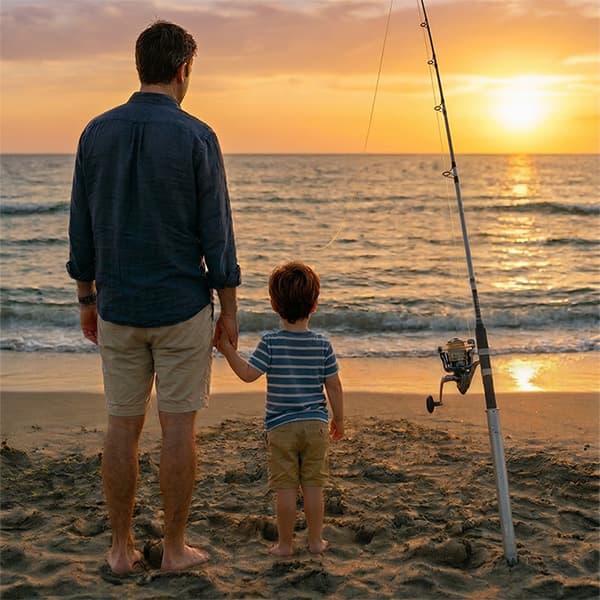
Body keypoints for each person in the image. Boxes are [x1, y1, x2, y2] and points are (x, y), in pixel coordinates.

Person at [66, 20, 241, 574]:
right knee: (178, 430)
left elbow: (81, 228)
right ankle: (172, 549)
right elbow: (217, 233)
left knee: (122, 425)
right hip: (181, 308)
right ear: (182, 69)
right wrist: (230, 309)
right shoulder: (197, 136)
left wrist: (86, 299)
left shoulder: (95, 133)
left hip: (117, 307)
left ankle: (119, 550)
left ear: (140, 66)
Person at [217, 262, 344, 557]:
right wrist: (339, 419)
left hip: (280, 427)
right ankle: (315, 542)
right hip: (315, 425)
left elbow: (248, 374)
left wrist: (227, 351)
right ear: (314, 305)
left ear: (274, 305)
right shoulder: (322, 344)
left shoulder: (270, 342)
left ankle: (285, 545)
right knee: (314, 485)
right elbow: (334, 386)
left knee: (285, 488)